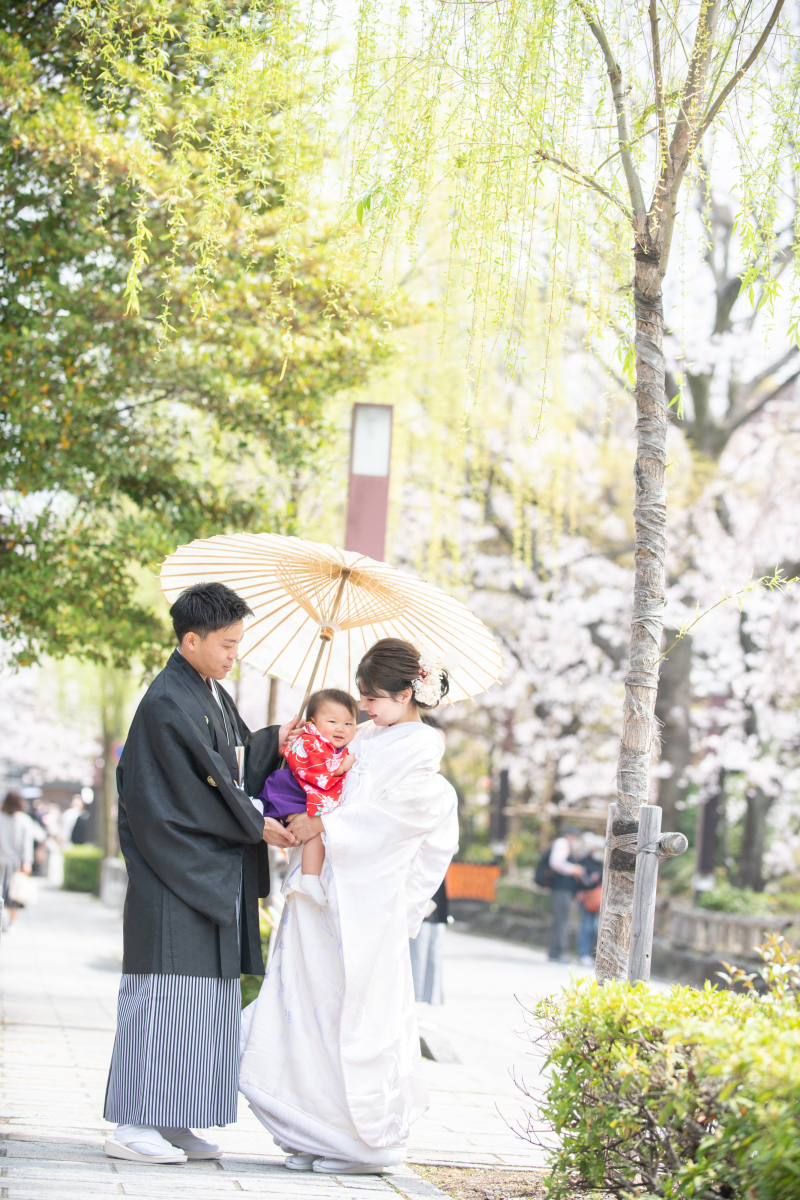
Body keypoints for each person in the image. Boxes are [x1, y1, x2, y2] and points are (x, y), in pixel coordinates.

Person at [239, 637, 459, 1176]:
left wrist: (328, 824)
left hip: (365, 898)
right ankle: (317, 1128)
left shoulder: (419, 752)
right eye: (362, 696)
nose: (364, 707)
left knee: (354, 1010)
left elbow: (400, 820)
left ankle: (366, 1142)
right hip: (322, 885)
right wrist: (296, 747)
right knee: (305, 1002)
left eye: (375, 697)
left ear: (409, 693)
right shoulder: (364, 735)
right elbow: (321, 780)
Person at [102, 582, 301, 1167]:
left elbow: (233, 763)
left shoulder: (207, 692)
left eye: (238, 643)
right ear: (190, 640)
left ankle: (176, 1117)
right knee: (161, 996)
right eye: (227, 643)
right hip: (173, 870)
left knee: (203, 1002)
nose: (234, 654)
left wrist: (278, 741)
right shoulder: (166, 702)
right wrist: (254, 822)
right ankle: (134, 1121)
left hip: (205, 870)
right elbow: (187, 795)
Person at [259, 689, 358, 905]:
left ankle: (310, 876)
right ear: (312, 722)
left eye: (349, 724)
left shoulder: (333, 746)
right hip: (289, 794)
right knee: (316, 830)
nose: (341, 728)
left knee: (317, 833)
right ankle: (310, 876)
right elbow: (317, 768)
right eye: (332, 721)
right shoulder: (309, 740)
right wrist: (341, 767)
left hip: (301, 798)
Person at [547, 826, 584, 962]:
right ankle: (557, 952)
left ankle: (556, 951)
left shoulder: (564, 844)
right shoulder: (562, 843)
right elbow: (556, 863)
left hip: (563, 888)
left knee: (561, 920)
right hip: (561, 888)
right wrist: (573, 869)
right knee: (561, 920)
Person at [0, 790, 34, 928]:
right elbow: (26, 844)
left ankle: (3, 922)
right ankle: (10, 924)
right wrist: (27, 862)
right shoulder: (24, 820)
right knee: (15, 895)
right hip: (16, 863)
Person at [575, 833, 604, 966]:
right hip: (586, 899)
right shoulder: (583, 861)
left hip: (597, 899)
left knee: (594, 928)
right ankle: (583, 953)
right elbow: (579, 880)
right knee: (586, 927)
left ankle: (591, 955)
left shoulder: (600, 863)